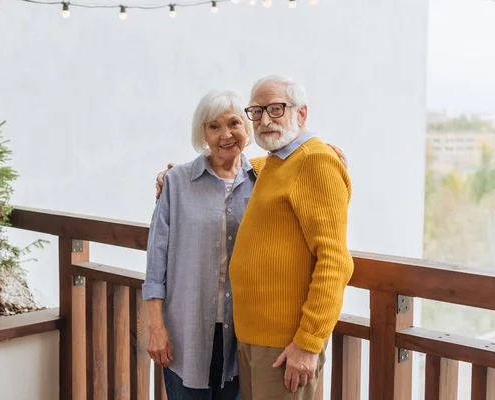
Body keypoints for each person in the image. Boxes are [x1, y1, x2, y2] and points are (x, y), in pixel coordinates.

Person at [146, 85, 349, 400]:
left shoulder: (261, 175)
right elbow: (155, 264)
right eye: (214, 127)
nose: (225, 134)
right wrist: (155, 327)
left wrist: (323, 149)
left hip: (237, 336)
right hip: (188, 333)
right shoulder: (177, 182)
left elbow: (301, 159)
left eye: (234, 123)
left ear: (247, 128)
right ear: (202, 133)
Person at [229, 75, 354, 400]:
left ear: (301, 114)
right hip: (254, 339)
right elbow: (229, 166)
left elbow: (335, 262)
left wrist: (308, 344)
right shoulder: (275, 163)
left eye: (275, 108)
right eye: (256, 112)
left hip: (286, 346)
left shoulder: (315, 161)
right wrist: (172, 175)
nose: (264, 120)